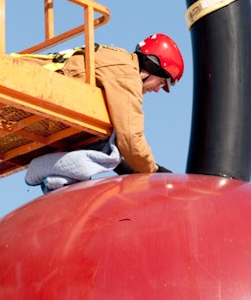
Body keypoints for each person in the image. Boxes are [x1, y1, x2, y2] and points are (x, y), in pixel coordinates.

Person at [24, 33, 184, 192]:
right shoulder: (127, 74)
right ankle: (58, 185)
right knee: (112, 134)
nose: (157, 90)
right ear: (153, 65)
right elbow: (130, 138)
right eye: (161, 83)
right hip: (33, 85)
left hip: (35, 80)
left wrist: (123, 165)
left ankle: (57, 183)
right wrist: (153, 173)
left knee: (106, 131)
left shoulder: (117, 61)